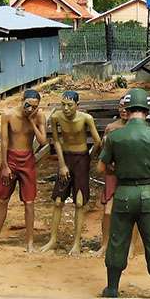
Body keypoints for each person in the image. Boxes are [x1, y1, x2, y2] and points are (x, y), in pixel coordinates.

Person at [97, 88, 150, 298]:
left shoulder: (115, 136)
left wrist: (116, 170)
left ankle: (112, 288)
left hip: (123, 192)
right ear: (146, 108)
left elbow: (101, 168)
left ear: (127, 107)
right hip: (148, 193)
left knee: (117, 240)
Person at [0, 89, 47, 253]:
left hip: (27, 159)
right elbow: (4, 142)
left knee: (29, 202)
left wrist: (32, 121)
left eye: (34, 106)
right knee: (3, 200)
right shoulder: (8, 115)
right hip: (10, 158)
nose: (30, 109)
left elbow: (43, 141)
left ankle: (30, 242)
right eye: (28, 105)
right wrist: (4, 165)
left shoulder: (39, 116)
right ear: (22, 100)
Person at [41, 91, 101, 255]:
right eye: (63, 105)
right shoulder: (56, 117)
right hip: (65, 158)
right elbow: (57, 141)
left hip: (81, 158)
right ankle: (52, 239)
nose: (66, 108)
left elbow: (97, 141)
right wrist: (61, 164)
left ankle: (76, 243)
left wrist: (89, 158)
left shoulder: (86, 118)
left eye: (70, 105)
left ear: (77, 105)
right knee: (58, 200)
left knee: (80, 202)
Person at [95, 98, 129, 257]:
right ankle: (105, 244)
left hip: (130, 174)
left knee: (132, 212)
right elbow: (104, 151)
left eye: (127, 107)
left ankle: (131, 247)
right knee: (108, 212)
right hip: (112, 174)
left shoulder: (138, 128)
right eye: (121, 106)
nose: (123, 109)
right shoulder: (111, 128)